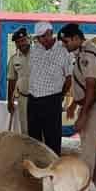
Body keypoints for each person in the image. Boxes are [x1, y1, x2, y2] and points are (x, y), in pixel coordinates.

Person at [59, 23, 96, 191]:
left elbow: (91, 88)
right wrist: (75, 104)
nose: (64, 45)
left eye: (66, 41)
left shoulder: (88, 55)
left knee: (87, 153)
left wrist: (83, 115)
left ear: (76, 38)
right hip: (89, 104)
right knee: (91, 148)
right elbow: (81, 84)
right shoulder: (81, 52)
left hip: (94, 106)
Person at [27, 21, 72, 155]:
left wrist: (60, 96)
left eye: (43, 36)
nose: (40, 40)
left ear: (50, 33)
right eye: (39, 37)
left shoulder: (63, 51)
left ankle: (53, 170)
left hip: (52, 100)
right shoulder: (35, 49)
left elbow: (69, 78)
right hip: (33, 100)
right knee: (34, 138)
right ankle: (37, 169)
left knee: (52, 138)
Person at [6, 27, 31, 134]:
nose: (21, 43)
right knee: (25, 129)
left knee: (41, 129)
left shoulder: (39, 55)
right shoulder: (14, 59)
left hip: (40, 99)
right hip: (23, 99)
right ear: (16, 44)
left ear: (28, 39)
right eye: (18, 42)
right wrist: (9, 100)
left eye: (23, 40)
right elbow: (12, 80)